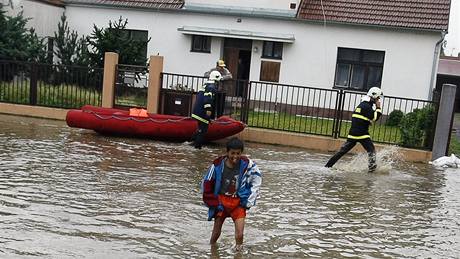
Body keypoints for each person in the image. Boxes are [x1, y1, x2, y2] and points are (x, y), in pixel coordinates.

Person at [201, 137, 262, 248]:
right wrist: (214, 203)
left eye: (238, 153)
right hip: (221, 202)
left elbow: (257, 181)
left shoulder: (248, 165)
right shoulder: (217, 165)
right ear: (227, 152)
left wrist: (248, 201)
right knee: (216, 233)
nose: (235, 156)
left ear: (241, 153)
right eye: (232, 153)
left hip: (238, 202)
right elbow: (206, 185)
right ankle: (212, 250)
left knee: (239, 234)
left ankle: (238, 253)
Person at [325, 87, 383, 172]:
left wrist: (366, 122)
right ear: (374, 96)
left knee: (342, 152)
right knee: (371, 150)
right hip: (362, 134)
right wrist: (378, 108)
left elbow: (359, 118)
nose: (378, 100)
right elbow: (375, 118)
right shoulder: (367, 106)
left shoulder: (362, 105)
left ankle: (327, 166)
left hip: (353, 133)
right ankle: (372, 170)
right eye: (378, 98)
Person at [191, 70, 222, 149]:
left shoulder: (206, 85)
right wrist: (208, 109)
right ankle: (197, 148)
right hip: (202, 112)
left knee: (200, 129)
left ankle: (191, 143)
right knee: (203, 130)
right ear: (216, 80)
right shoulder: (211, 87)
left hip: (198, 111)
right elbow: (208, 98)